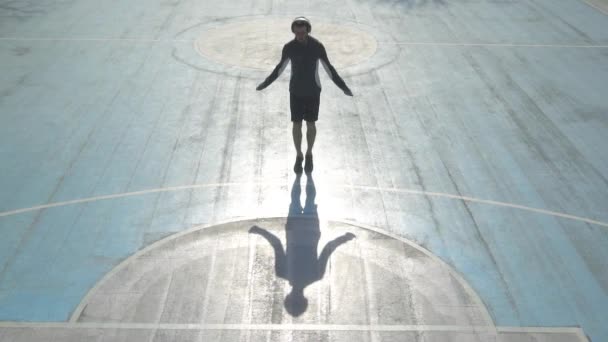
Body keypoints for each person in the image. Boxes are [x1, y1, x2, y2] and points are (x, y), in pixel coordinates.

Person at [256, 16, 353, 173]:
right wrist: (265, 84)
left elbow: (329, 69)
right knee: (296, 124)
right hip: (295, 92)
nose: (300, 35)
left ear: (307, 30)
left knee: (311, 124)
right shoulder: (289, 48)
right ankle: (299, 155)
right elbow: (279, 69)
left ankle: (309, 154)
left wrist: (343, 87)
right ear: (294, 31)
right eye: (297, 32)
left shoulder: (317, 47)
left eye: (303, 32)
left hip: (313, 91)